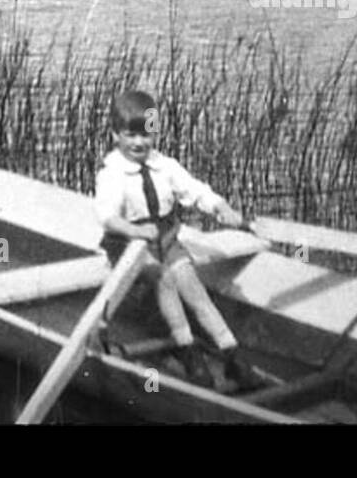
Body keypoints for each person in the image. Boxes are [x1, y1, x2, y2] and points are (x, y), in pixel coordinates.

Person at [93, 89, 257, 390]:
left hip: (166, 240)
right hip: (128, 246)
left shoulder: (164, 165)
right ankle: (187, 349)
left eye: (146, 135)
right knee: (165, 280)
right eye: (131, 135)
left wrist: (222, 208)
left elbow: (195, 190)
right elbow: (107, 217)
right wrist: (136, 232)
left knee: (190, 282)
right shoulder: (112, 173)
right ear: (116, 134)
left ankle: (231, 353)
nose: (139, 143)